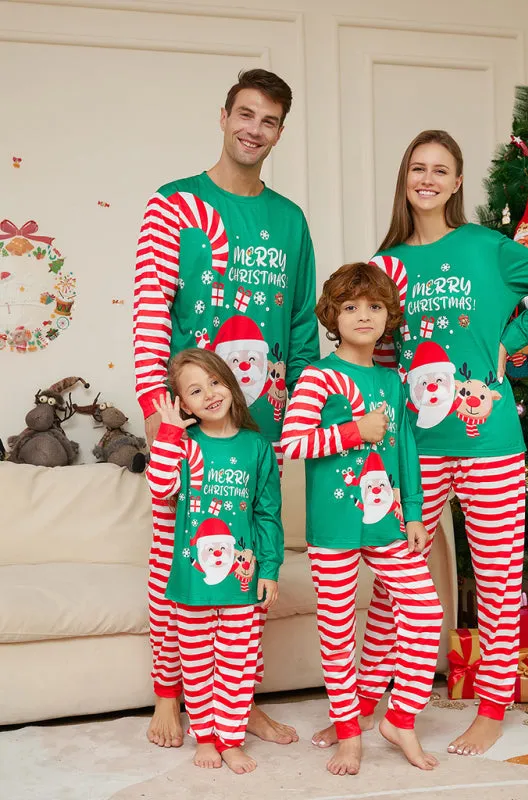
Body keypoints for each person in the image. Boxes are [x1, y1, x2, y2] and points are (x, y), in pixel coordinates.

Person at [311, 130, 528, 757]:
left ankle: (491, 709)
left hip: (489, 440)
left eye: (441, 170)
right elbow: (375, 354)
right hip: (413, 444)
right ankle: (359, 712)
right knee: (392, 582)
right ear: (405, 178)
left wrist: (516, 335)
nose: (428, 179)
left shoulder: (488, 248)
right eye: (418, 168)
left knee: (495, 579)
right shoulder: (386, 266)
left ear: (458, 183)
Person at [133, 68, 319, 748]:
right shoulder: (173, 205)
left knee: (249, 565)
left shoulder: (289, 220)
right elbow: (152, 314)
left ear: (279, 132)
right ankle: (168, 698)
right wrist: (158, 413)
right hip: (186, 420)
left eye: (269, 120)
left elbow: (300, 328)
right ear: (223, 115)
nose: (254, 129)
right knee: (174, 562)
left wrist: (299, 414)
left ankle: (238, 705)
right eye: (245, 114)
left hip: (259, 425)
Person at [281, 262, 444, 775]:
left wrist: (415, 514)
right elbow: (292, 442)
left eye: (374, 306)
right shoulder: (318, 376)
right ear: (333, 315)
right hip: (333, 528)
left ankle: (400, 717)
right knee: (337, 632)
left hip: (388, 522)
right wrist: (354, 431)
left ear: (389, 315)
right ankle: (348, 733)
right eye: (350, 307)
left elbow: (407, 453)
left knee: (424, 614)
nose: (363, 315)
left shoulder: (393, 381)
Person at [145, 348, 284, 774]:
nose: (209, 394)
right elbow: (160, 487)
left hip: (241, 581)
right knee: (198, 664)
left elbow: (267, 512)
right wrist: (168, 433)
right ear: (183, 405)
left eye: (215, 382)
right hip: (191, 582)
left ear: (231, 384)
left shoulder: (257, 446)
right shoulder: (184, 446)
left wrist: (271, 568)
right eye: (195, 390)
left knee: (237, 666)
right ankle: (205, 737)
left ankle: (230, 739)